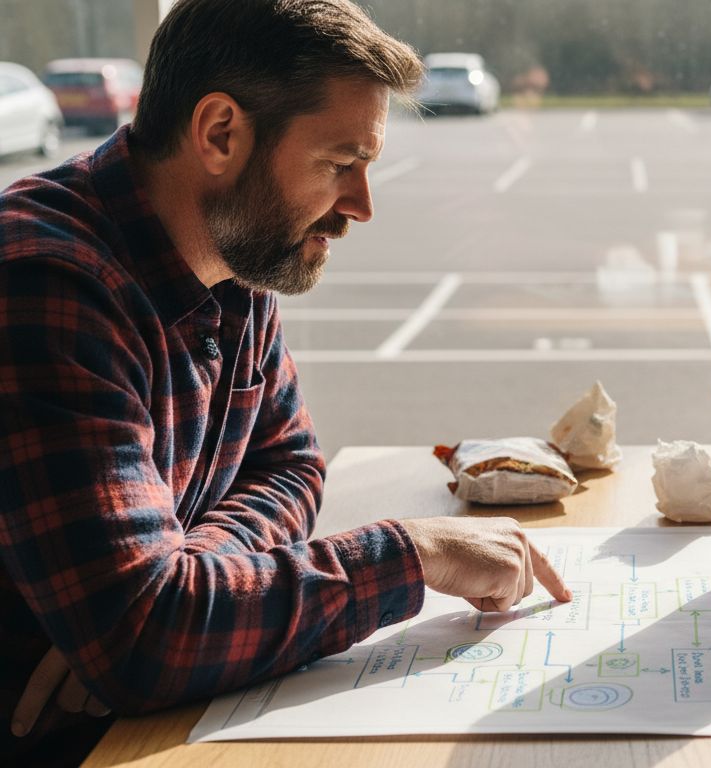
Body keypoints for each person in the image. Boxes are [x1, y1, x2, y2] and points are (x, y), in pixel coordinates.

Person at [0, 1, 570, 764]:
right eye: (340, 164)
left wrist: (188, 585)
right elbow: (142, 640)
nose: (363, 206)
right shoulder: (43, 285)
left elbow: (289, 464)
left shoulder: (233, 253)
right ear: (220, 135)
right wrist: (409, 554)